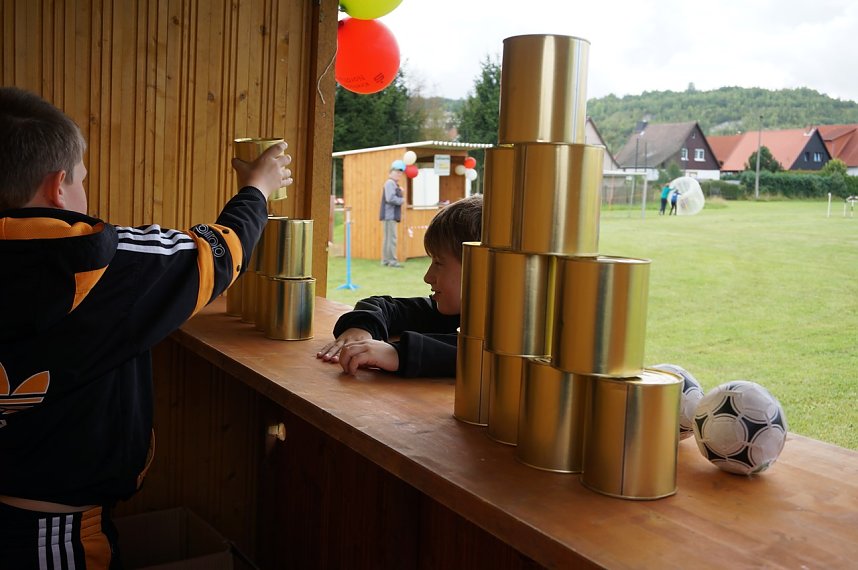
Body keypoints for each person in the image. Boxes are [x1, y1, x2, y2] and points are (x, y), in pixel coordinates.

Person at [0, 86, 292, 569]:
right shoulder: (101, 265)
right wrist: (257, 188)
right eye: (82, 181)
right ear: (57, 189)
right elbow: (217, 255)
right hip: (53, 535)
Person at [317, 194, 483, 378]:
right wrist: (363, 327)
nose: (428, 277)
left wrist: (396, 353)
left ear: (479, 269)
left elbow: (478, 355)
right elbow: (386, 307)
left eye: (439, 263)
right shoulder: (447, 314)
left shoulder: (512, 343)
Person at [379, 160, 406, 268]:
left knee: (388, 239)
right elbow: (390, 198)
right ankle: (392, 261)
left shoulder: (393, 184)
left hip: (388, 216)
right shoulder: (390, 183)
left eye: (400, 173)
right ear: (391, 173)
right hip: (390, 216)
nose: (399, 174)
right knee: (392, 239)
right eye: (396, 172)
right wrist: (402, 200)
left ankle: (386, 260)